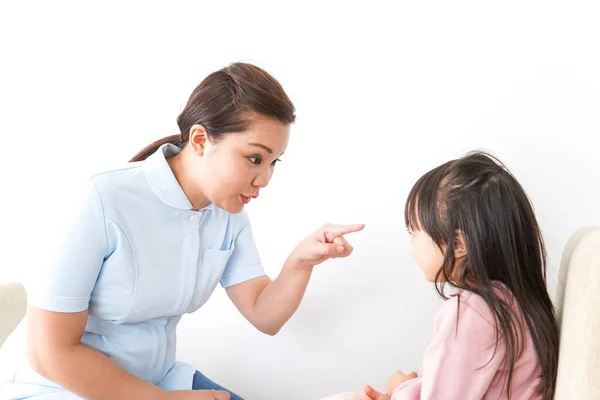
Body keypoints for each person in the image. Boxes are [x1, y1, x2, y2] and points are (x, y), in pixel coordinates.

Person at [0, 62, 364, 400]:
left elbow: (264, 315)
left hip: (154, 379)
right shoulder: (102, 200)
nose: (265, 179)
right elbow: (51, 354)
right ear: (201, 140)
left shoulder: (227, 214)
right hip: (58, 386)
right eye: (255, 158)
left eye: (273, 162)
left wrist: (301, 260)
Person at [323, 152, 558, 400]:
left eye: (413, 232)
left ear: (457, 244)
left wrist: (399, 387)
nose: (411, 245)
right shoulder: (513, 304)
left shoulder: (472, 313)